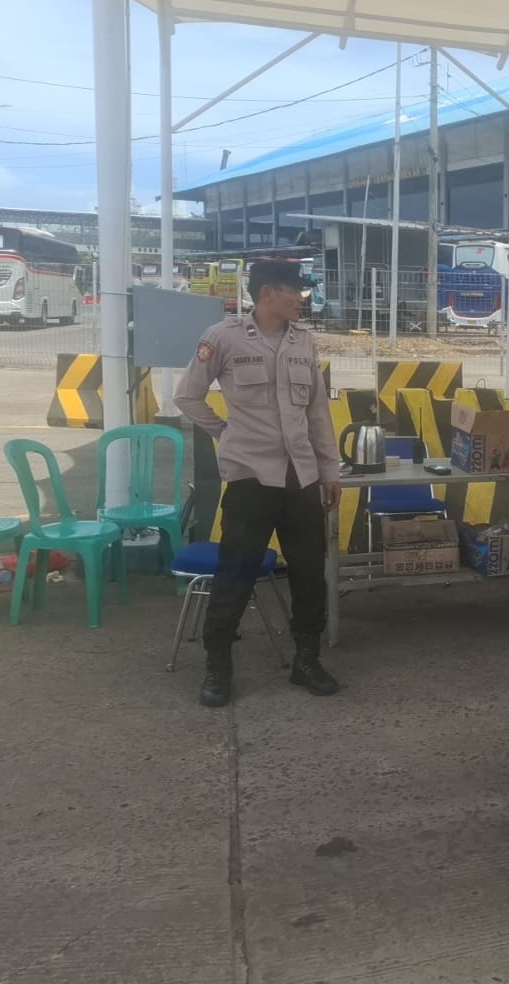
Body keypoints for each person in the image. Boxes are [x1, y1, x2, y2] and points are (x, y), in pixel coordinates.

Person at [176, 258, 343, 708]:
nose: (302, 299)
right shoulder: (223, 337)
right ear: (269, 293)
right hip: (251, 476)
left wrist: (329, 470)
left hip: (301, 476)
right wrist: (224, 432)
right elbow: (187, 395)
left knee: (309, 574)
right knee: (236, 573)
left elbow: (317, 412)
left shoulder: (304, 342)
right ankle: (218, 666)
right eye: (295, 291)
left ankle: (306, 660)